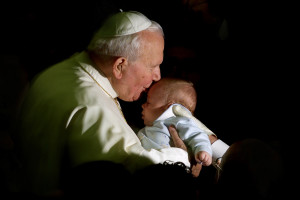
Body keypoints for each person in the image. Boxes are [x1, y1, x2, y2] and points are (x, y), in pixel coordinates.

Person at [14, 10, 230, 198]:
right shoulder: (92, 107)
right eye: (152, 66)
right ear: (119, 66)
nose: (158, 76)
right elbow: (130, 179)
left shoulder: (58, 73)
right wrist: (182, 156)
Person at [138, 77, 212, 167]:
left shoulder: (177, 121)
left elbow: (197, 134)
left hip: (169, 165)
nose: (143, 105)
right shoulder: (151, 127)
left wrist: (202, 150)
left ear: (169, 107)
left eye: (148, 102)